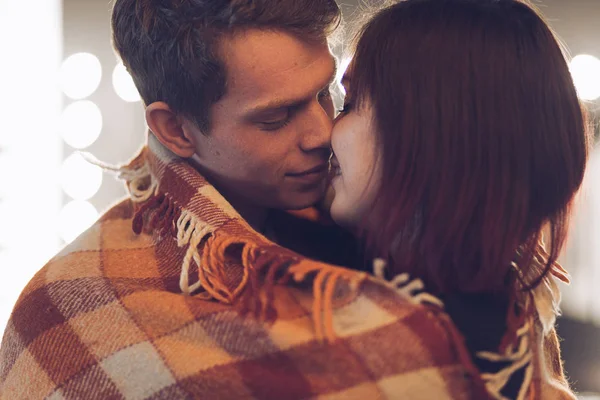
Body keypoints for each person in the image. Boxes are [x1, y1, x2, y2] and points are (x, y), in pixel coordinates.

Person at [328, 0, 588, 398]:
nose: (324, 131)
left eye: (349, 104)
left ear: (427, 137)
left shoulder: (368, 339)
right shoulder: (518, 320)